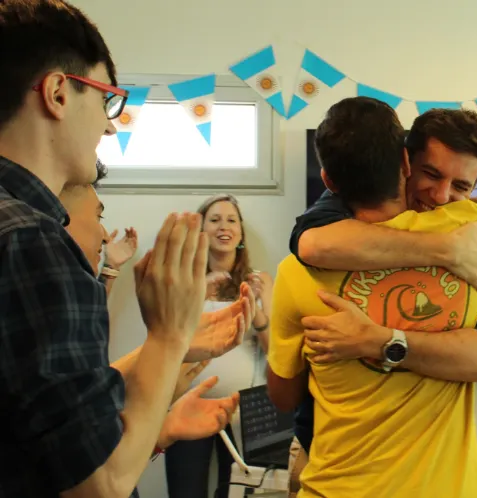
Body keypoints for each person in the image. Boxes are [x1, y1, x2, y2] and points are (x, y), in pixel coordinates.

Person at [0, 2, 238, 496]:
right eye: (107, 100)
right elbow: (100, 484)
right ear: (58, 93)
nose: (110, 128)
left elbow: (39, 402)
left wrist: (171, 347)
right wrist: (168, 336)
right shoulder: (31, 239)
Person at [266, 97, 477, 497]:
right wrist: (447, 248)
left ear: (328, 179)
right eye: (431, 174)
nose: (441, 196)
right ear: (405, 162)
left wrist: (378, 341)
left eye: (461, 186)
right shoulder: (476, 235)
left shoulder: (475, 238)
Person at [57, 162, 251, 465]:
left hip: (229, 411)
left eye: (231, 220)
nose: (105, 235)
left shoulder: (255, 283)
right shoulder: (44, 294)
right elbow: (97, 475)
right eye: (99, 216)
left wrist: (162, 432)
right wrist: (167, 340)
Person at [165, 193, 274, 498]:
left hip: (247, 411)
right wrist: (200, 292)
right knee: (185, 492)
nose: (223, 226)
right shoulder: (183, 281)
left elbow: (276, 351)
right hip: (188, 405)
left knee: (239, 493)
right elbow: (168, 339)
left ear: (240, 233)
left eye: (231, 220)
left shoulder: (260, 281)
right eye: (214, 220)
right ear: (202, 232)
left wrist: (256, 311)